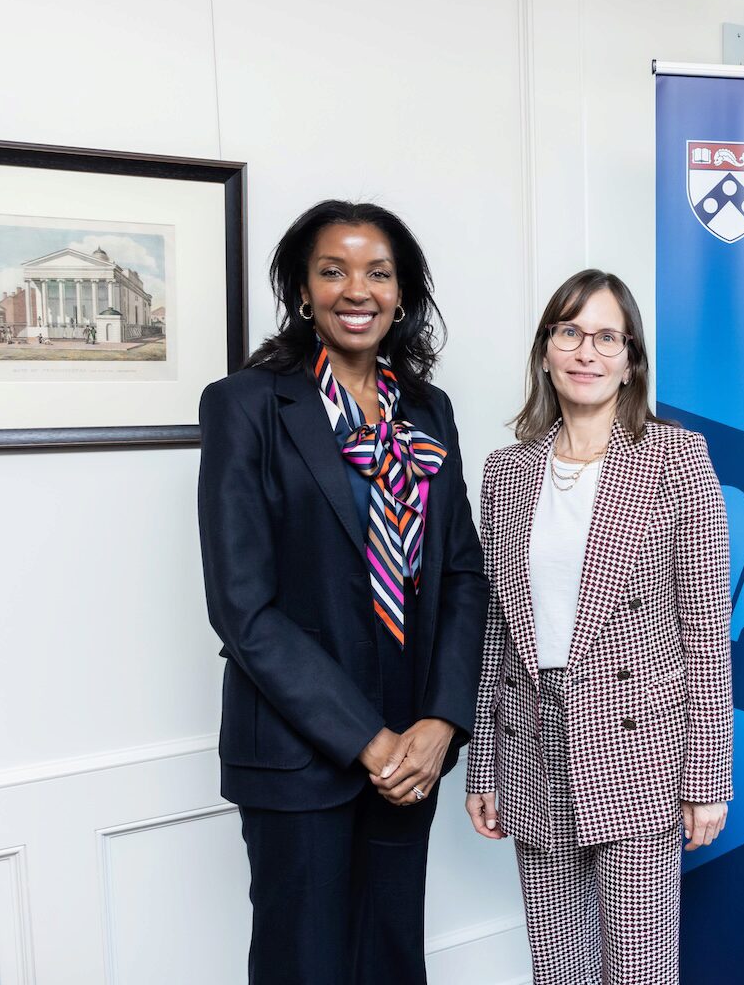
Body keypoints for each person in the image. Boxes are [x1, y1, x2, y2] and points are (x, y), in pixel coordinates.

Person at [197, 200, 486, 985]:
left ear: (401, 295)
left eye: (378, 273)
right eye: (333, 270)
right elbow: (242, 610)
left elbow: (461, 571)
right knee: (306, 967)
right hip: (298, 754)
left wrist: (439, 720)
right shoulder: (246, 406)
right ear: (302, 290)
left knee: (392, 962)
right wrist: (367, 738)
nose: (355, 290)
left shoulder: (427, 411)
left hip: (413, 748)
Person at [464, 269, 733, 983]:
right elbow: (496, 627)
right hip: (532, 742)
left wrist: (707, 778)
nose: (587, 351)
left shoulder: (678, 458)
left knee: (638, 971)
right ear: (546, 349)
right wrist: (482, 765)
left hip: (636, 749)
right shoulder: (506, 470)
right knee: (557, 970)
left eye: (607, 336)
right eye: (570, 331)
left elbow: (707, 631)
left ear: (631, 358)